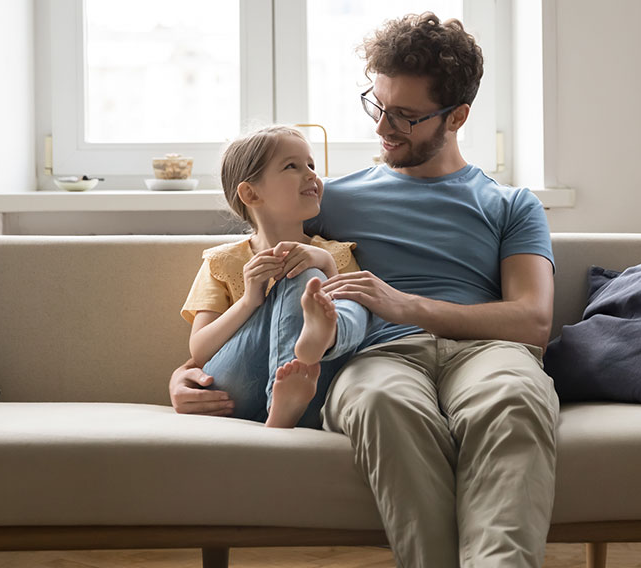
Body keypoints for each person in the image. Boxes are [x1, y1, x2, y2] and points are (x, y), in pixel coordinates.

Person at [170, 13, 559, 567]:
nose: (383, 127)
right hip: (378, 353)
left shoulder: (512, 205)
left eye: (406, 115)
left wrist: (404, 305)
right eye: (378, 105)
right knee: (379, 402)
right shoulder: (332, 198)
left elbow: (531, 321)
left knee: (514, 399)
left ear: (458, 116)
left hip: (488, 351)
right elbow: (262, 250)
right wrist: (188, 370)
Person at [181, 125, 374, 429]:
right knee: (303, 273)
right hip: (238, 387)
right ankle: (283, 399)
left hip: (312, 387)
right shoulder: (222, 261)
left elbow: (361, 332)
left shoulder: (334, 254)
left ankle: (290, 396)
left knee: (350, 297)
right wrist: (249, 301)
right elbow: (201, 352)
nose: (311, 174)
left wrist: (327, 267)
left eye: (311, 165)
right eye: (292, 166)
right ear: (250, 192)